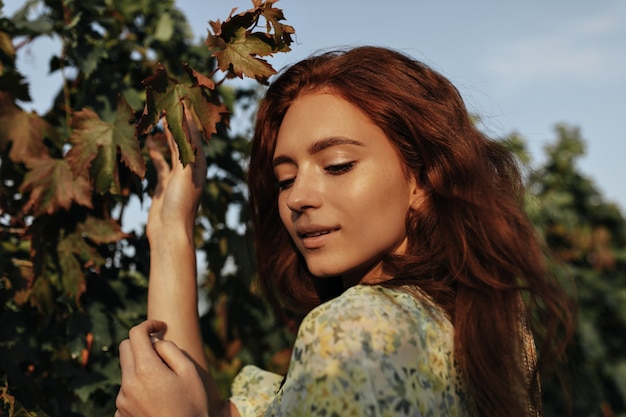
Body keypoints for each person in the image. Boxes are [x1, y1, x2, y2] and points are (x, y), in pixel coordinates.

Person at [115, 46, 573, 417]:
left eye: (337, 165)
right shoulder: (480, 325)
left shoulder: (358, 330)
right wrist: (172, 226)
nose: (297, 198)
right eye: (285, 178)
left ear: (422, 178)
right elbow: (207, 409)